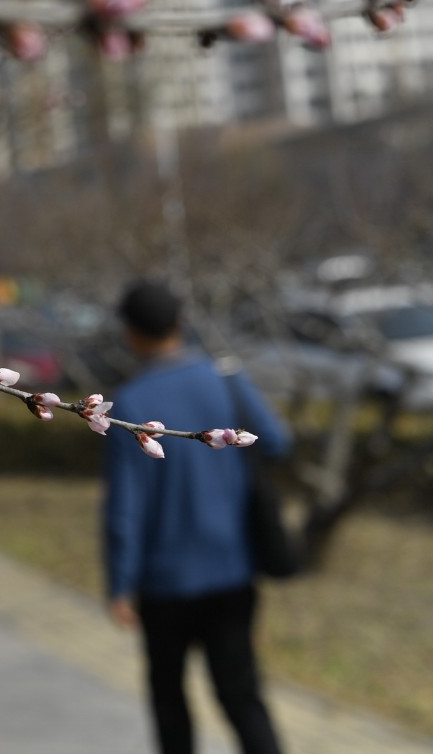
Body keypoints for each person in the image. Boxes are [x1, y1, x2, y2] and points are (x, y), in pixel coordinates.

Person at [102, 279, 290, 754]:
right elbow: (275, 440)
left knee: (169, 699)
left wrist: (120, 583)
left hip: (164, 581)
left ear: (131, 332)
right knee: (241, 695)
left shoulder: (130, 404)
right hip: (232, 567)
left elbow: (126, 505)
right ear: (181, 323)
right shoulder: (223, 379)